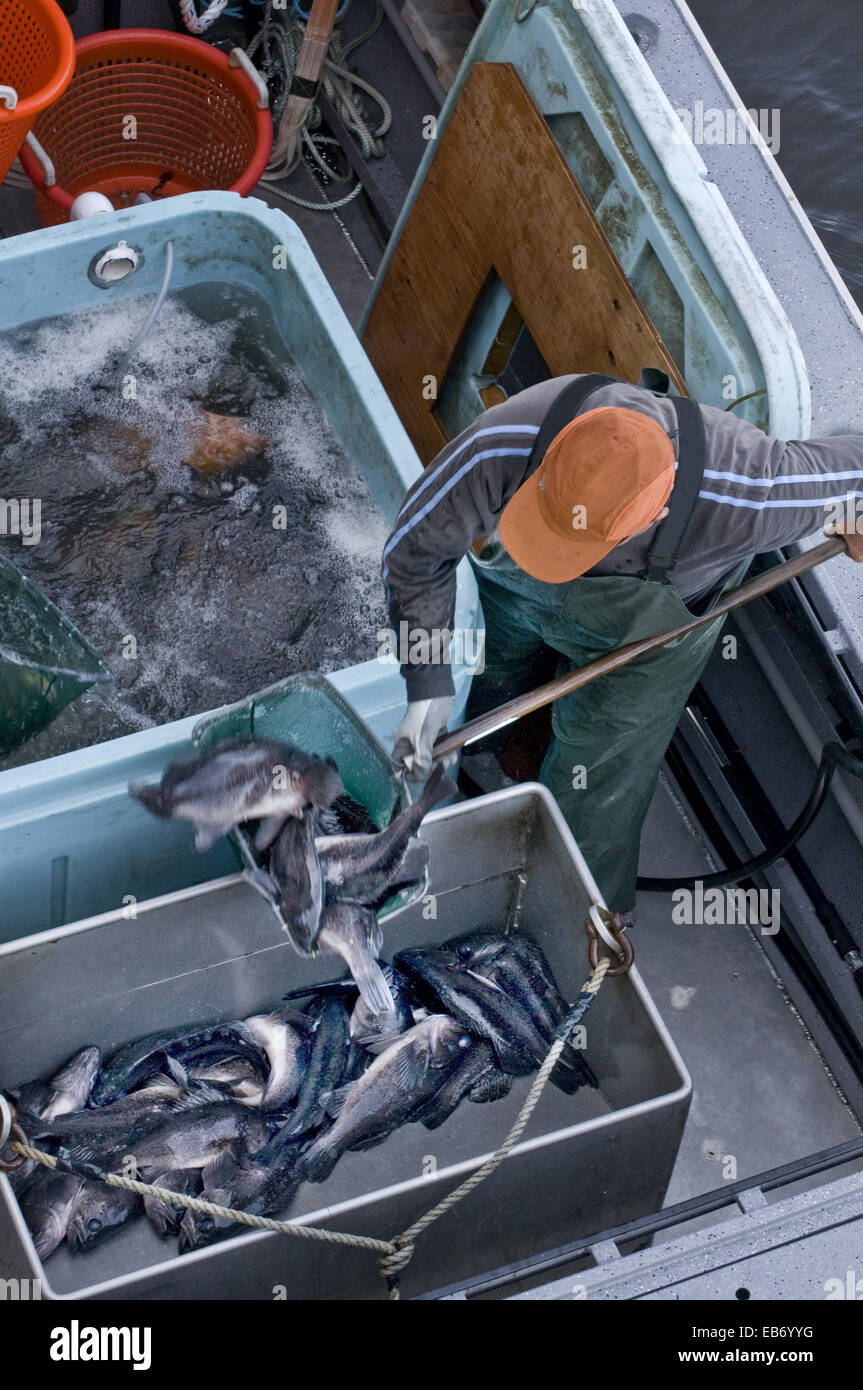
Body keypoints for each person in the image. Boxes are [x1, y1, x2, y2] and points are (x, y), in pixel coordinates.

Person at [384, 372, 863, 914]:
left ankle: (567, 917)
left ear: (654, 514)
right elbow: (414, 553)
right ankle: (481, 756)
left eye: (569, 541)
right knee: (477, 677)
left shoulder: (753, 493)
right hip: (517, 587)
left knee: (596, 787)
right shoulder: (509, 437)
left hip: (648, 637)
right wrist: (426, 690)